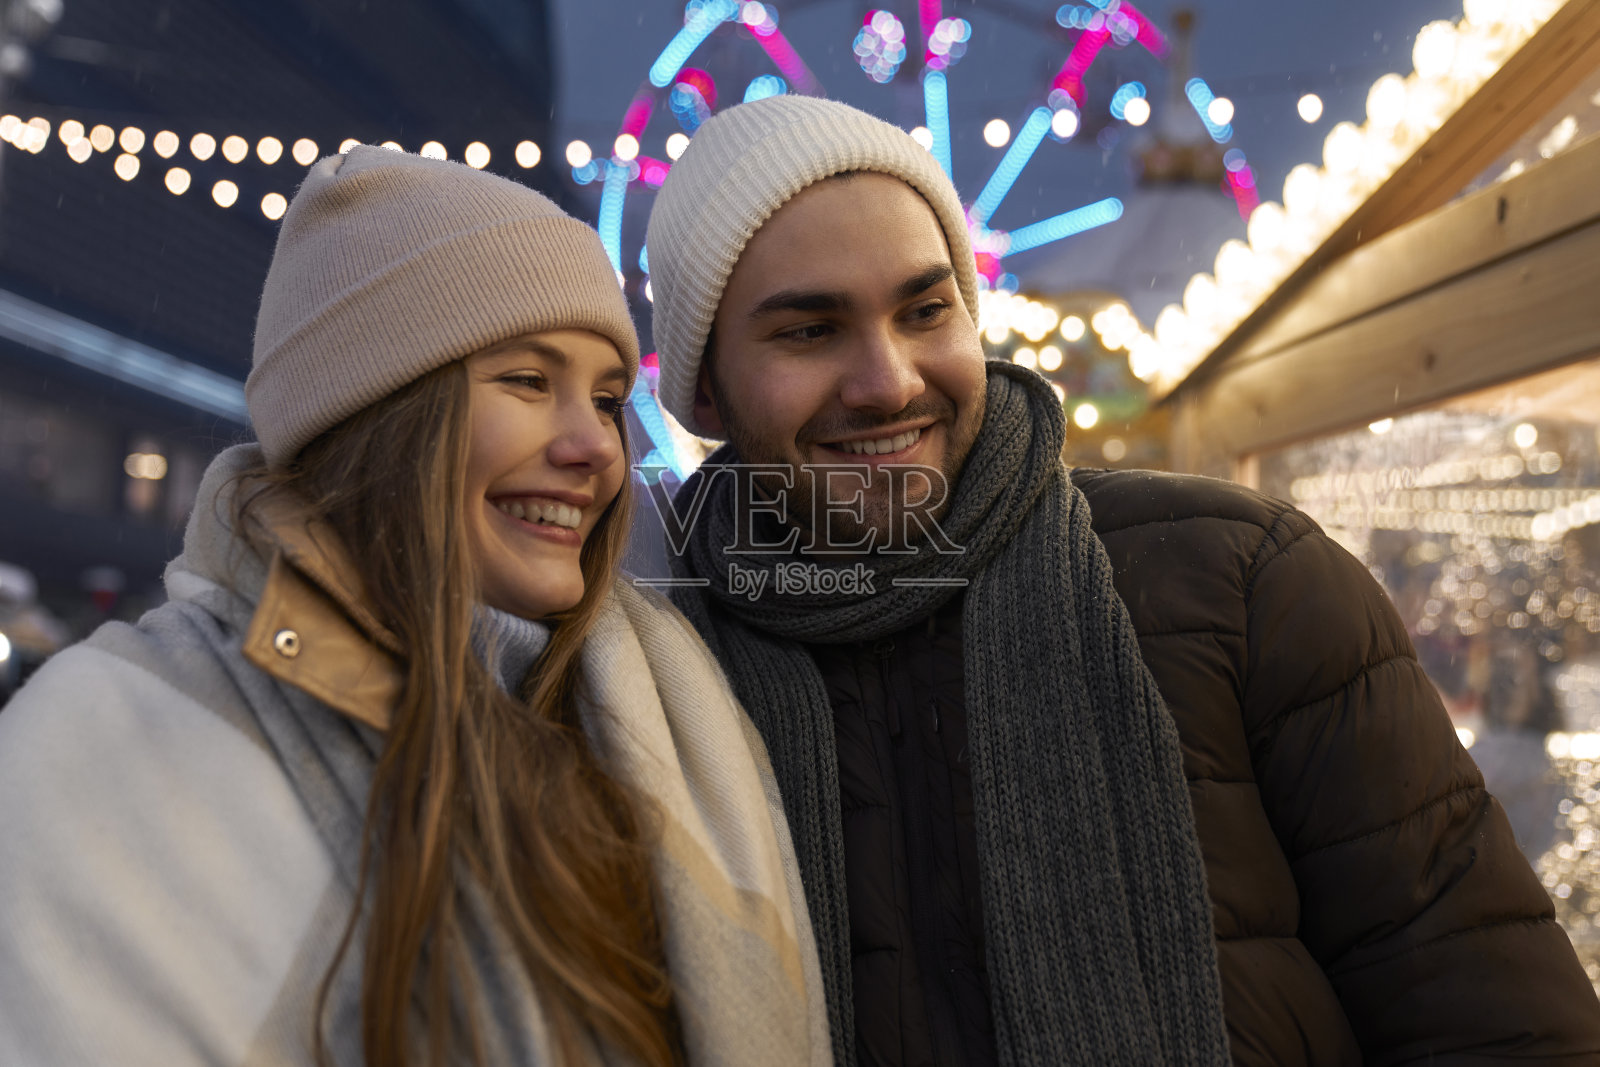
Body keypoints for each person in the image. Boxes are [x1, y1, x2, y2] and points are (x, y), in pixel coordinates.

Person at [643, 94, 1600, 1066]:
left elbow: (1494, 1018)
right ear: (705, 388)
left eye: (925, 309)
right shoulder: (644, 671)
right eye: (809, 331)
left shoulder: (1246, 583)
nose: (886, 380)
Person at [0, 147, 830, 1067]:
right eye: (526, 381)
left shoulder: (654, 712)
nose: (595, 447)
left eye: (604, 399)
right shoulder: (107, 741)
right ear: (381, 412)